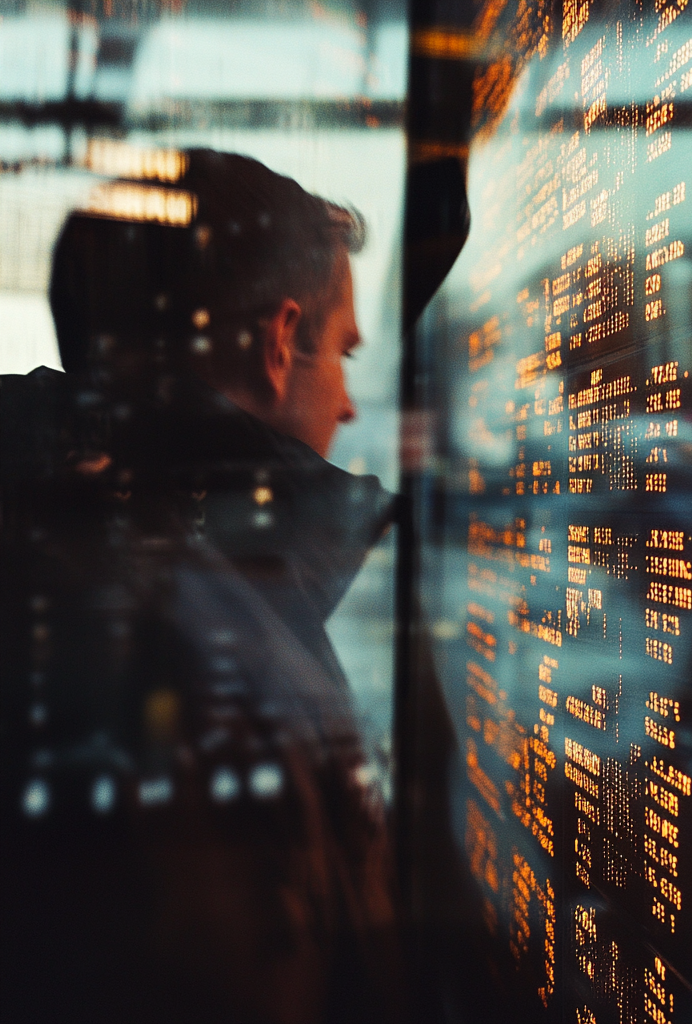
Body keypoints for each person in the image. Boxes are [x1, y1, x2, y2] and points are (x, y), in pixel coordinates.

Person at [0, 150, 402, 1023]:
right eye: (342, 352)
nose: (348, 405)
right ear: (280, 340)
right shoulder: (202, 666)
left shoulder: (61, 557)